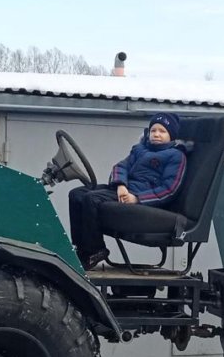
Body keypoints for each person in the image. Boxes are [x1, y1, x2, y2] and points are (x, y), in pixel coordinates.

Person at [68, 112, 188, 268]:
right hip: (124, 189)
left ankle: (95, 250)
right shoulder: (140, 149)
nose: (156, 134)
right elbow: (120, 167)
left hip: (143, 197)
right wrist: (121, 185)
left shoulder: (176, 156)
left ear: (171, 136)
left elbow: (169, 190)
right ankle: (80, 248)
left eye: (162, 131)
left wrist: (137, 198)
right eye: (153, 130)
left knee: (92, 199)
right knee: (76, 194)